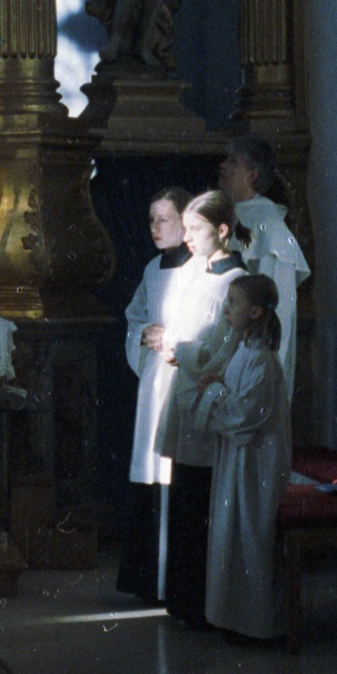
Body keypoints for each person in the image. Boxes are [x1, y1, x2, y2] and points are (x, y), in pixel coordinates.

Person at [155, 190, 250, 626]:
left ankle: (201, 602)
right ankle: (183, 598)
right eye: (186, 229)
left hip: (207, 395)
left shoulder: (235, 282)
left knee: (202, 499)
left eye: (196, 229)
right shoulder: (197, 270)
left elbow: (224, 345)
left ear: (223, 230)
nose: (187, 237)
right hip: (186, 391)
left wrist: (183, 350)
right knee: (185, 495)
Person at [189, 274, 290, 640]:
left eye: (233, 303)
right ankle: (233, 619)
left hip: (256, 463)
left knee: (250, 533)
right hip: (238, 460)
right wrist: (218, 385)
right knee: (232, 532)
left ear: (256, 311)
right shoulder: (245, 352)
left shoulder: (262, 360)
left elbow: (246, 413)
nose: (226, 309)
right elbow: (233, 397)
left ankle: (257, 624)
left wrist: (214, 391)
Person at [116, 186, 193, 603]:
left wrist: (174, 338)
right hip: (153, 385)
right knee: (150, 473)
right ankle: (149, 582)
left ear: (184, 221)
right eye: (151, 220)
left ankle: (177, 583)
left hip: (184, 381)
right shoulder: (151, 269)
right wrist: (143, 333)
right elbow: (135, 317)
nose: (156, 228)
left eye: (164, 219)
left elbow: (210, 324)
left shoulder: (201, 268)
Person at [218, 135, 310, 398]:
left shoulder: (271, 229)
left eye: (232, 161)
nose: (222, 166)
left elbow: (279, 308)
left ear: (252, 175)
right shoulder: (222, 217)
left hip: (252, 360)